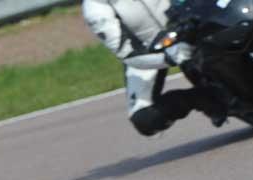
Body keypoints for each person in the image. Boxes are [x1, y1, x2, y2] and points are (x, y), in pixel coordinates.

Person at [82, 0, 225, 136]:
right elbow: (127, 53)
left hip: (194, 23)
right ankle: (204, 97)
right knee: (145, 119)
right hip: (149, 51)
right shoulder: (94, 6)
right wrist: (167, 57)